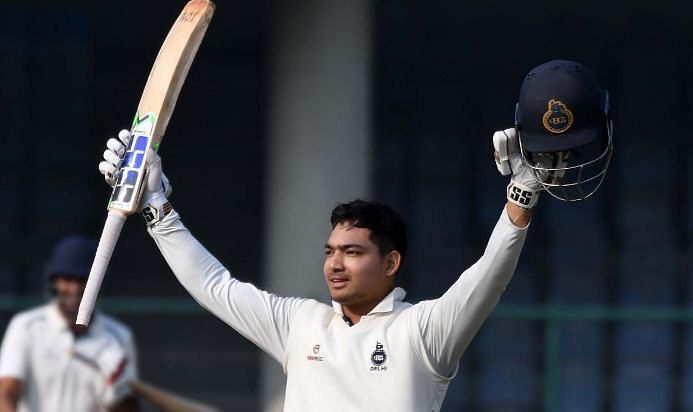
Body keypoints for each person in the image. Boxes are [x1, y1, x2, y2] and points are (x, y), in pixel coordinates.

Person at [97, 59, 611, 411]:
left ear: (391, 263)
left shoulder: (425, 332)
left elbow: (488, 277)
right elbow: (214, 287)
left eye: (352, 252)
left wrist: (521, 196)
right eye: (330, 252)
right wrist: (158, 208)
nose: (334, 264)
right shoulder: (300, 324)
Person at [0, 236, 140, 412]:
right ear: (54, 281)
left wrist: (120, 392)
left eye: (83, 280)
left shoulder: (119, 336)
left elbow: (126, 406)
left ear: (97, 282)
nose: (75, 288)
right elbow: (6, 394)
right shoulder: (26, 326)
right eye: (67, 279)